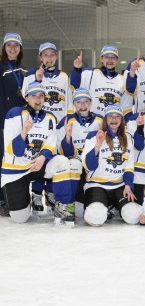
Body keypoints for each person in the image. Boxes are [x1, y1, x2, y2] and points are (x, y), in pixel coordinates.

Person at [1, 82, 77, 227]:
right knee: (20, 218)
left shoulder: (50, 118)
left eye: (41, 96)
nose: (38, 99)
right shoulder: (14, 114)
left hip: (37, 165)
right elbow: (14, 151)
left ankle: (62, 204)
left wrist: (42, 157)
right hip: (15, 170)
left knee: (62, 161)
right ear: (26, 98)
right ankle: (25, 198)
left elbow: (50, 143)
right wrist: (24, 132)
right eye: (33, 96)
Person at [22, 42, 73, 210]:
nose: (49, 58)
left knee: (54, 159)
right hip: (39, 123)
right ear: (40, 57)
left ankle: (50, 192)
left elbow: (68, 101)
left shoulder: (64, 76)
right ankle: (36, 194)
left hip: (57, 125)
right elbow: (25, 95)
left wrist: (67, 121)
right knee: (39, 156)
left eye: (52, 55)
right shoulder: (31, 74)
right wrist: (37, 79)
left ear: (56, 57)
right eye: (45, 55)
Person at [81, 103, 136, 226]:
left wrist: (128, 185)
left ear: (121, 120)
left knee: (133, 215)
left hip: (119, 185)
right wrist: (98, 145)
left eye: (117, 116)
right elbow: (88, 166)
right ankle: (105, 207)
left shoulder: (128, 138)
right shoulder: (93, 136)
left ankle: (111, 206)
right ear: (106, 119)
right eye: (110, 116)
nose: (114, 119)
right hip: (96, 184)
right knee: (96, 217)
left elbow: (129, 166)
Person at [57, 88, 103, 217]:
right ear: (74, 104)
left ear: (91, 102)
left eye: (86, 101)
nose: (83, 106)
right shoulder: (66, 121)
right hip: (75, 164)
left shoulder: (100, 120)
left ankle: (106, 201)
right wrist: (67, 136)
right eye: (79, 102)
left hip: (93, 163)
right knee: (74, 164)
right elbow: (65, 152)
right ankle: (68, 203)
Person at [0, 32, 27, 216]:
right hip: (3, 122)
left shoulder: (23, 70)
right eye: (9, 45)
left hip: (18, 122)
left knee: (14, 158)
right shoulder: (1, 67)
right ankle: (2, 199)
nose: (12, 48)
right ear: (4, 48)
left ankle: (13, 197)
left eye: (16, 45)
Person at [70, 46, 132, 117]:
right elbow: (74, 87)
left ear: (117, 60)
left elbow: (125, 106)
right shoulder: (90, 73)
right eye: (107, 57)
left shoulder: (123, 79)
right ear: (101, 59)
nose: (110, 60)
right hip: (93, 123)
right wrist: (77, 69)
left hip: (112, 124)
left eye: (113, 57)